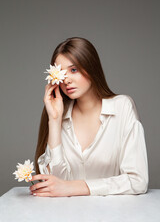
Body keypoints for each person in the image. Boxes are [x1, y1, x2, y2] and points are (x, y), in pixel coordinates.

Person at [29, 37, 149, 197]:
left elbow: (137, 181)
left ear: (92, 68)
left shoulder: (122, 107)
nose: (66, 80)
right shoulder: (59, 114)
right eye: (61, 73)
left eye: (73, 70)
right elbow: (54, 184)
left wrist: (75, 187)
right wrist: (55, 120)